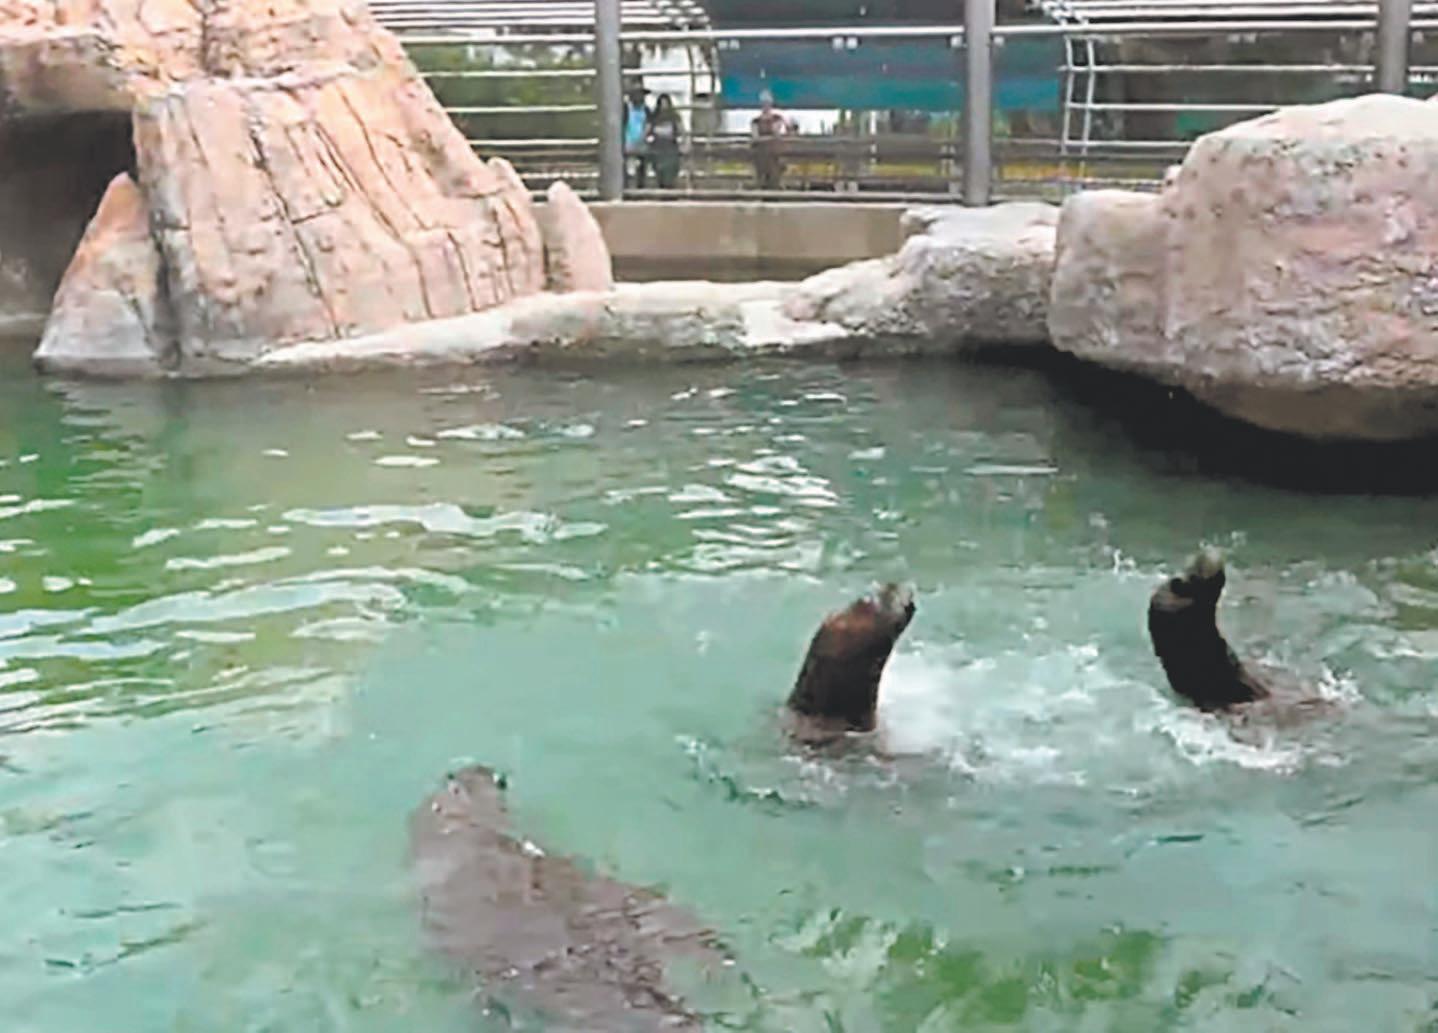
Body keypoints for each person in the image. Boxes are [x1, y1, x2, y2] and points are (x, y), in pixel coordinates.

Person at [750, 90, 795, 191]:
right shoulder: (756, 121)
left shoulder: (777, 118)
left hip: (774, 155)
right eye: (764, 103)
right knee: (762, 180)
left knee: (774, 179)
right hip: (761, 155)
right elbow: (755, 136)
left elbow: (781, 131)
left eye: (767, 103)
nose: (766, 106)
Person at [646, 93, 683, 190]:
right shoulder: (654, 117)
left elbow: (680, 130)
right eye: (662, 104)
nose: (664, 106)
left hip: (670, 146)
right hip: (658, 146)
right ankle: (661, 185)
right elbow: (648, 130)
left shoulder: (674, 116)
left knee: (671, 168)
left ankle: (670, 186)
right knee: (659, 169)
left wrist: (681, 141)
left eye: (665, 103)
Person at [623, 85, 650, 189]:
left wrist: (644, 135)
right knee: (627, 166)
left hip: (642, 141)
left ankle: (640, 186)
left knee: (641, 166)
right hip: (628, 141)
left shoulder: (646, 109)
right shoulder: (626, 108)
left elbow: (649, 123)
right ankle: (627, 187)